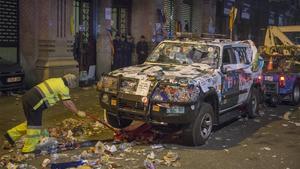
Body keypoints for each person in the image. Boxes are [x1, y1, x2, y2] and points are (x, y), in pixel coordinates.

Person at [4, 74, 86, 153]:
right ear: (71, 83)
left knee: (30, 123)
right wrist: (77, 112)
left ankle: (11, 135)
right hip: (35, 103)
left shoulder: (55, 80)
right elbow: (68, 103)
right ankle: (28, 149)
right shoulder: (64, 87)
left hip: (27, 98)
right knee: (34, 127)